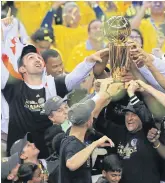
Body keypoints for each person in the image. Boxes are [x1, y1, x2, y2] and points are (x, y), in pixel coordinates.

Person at [2, 23, 109, 157]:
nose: (37, 59)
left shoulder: (53, 84)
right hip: (20, 160)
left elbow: (73, 77)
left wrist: (88, 61)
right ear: (22, 68)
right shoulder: (13, 87)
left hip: (49, 158)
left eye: (38, 57)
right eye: (30, 58)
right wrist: (5, 31)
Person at [95, 80, 161, 183]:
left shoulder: (149, 133)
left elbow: (147, 118)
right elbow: (96, 120)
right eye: (127, 114)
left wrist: (131, 93)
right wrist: (101, 94)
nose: (129, 118)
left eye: (133, 114)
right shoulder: (118, 131)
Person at [58, 93, 114, 183]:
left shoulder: (70, 136)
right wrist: (95, 144)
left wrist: (106, 95)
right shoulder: (73, 144)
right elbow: (71, 164)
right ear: (88, 122)